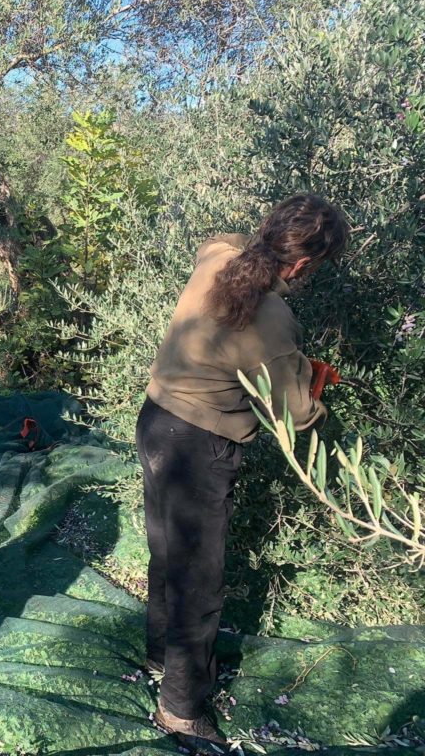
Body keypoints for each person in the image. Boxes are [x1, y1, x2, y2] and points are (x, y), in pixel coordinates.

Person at [137, 194, 349, 752]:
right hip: (200, 445)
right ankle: (181, 709)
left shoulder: (219, 255)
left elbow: (222, 248)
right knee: (198, 576)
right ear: (303, 266)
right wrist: (314, 379)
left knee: (166, 548)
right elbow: (298, 414)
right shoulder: (275, 317)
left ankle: (161, 654)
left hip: (156, 421)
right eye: (314, 267)